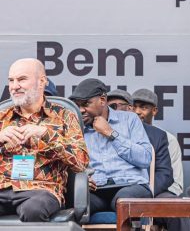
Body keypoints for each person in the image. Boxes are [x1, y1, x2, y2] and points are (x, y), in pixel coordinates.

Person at [0, 58, 89, 221]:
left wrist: (46, 134)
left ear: (41, 82)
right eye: (11, 80)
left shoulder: (64, 116)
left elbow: (81, 162)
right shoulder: (2, 116)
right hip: (3, 187)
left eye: (21, 79)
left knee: (33, 209)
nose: (14, 86)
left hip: (41, 190)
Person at [70, 78, 152, 213]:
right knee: (76, 201)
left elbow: (145, 159)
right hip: (97, 189)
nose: (81, 110)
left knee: (123, 201)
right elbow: (71, 164)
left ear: (102, 100)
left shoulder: (129, 119)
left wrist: (110, 133)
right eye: (77, 105)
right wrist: (81, 178)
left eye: (85, 104)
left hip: (130, 184)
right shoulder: (75, 128)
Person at [132, 88, 190, 231]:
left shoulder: (168, 139)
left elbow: (175, 184)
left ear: (154, 111)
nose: (137, 112)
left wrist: (147, 193)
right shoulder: (123, 137)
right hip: (127, 195)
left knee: (177, 208)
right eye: (134, 107)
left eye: (143, 107)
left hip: (157, 196)